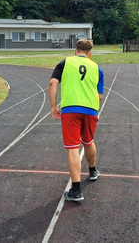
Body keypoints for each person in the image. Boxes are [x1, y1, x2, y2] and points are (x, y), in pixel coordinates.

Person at [49, 39, 104, 201]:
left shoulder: (64, 63)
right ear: (90, 54)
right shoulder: (97, 68)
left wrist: (53, 106)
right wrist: (93, 109)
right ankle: (93, 171)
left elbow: (53, 83)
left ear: (75, 51)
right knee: (88, 141)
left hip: (71, 109)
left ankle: (76, 190)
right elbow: (99, 96)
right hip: (90, 109)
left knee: (73, 147)